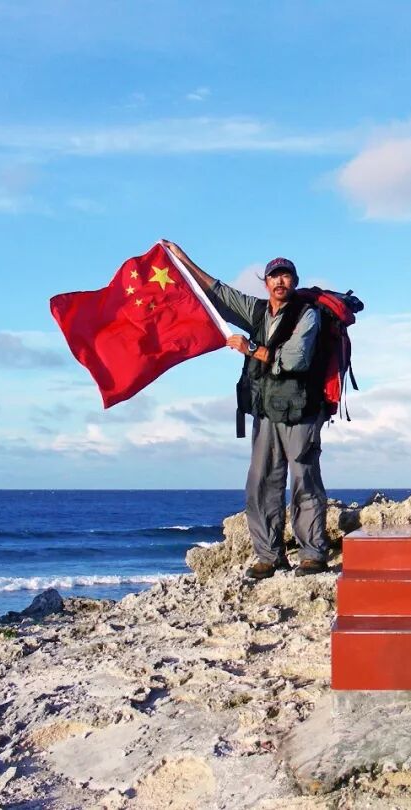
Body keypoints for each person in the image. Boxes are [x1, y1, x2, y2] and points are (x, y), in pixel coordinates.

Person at [164, 242, 329, 578]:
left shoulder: (307, 314)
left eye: (285, 276)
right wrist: (183, 260)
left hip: (301, 411)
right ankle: (269, 556)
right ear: (265, 282)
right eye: (274, 276)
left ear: (294, 281)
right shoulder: (257, 311)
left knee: (304, 480)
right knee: (261, 482)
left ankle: (313, 554)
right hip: (266, 411)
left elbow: (296, 359)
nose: (280, 281)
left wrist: (251, 348)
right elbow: (220, 294)